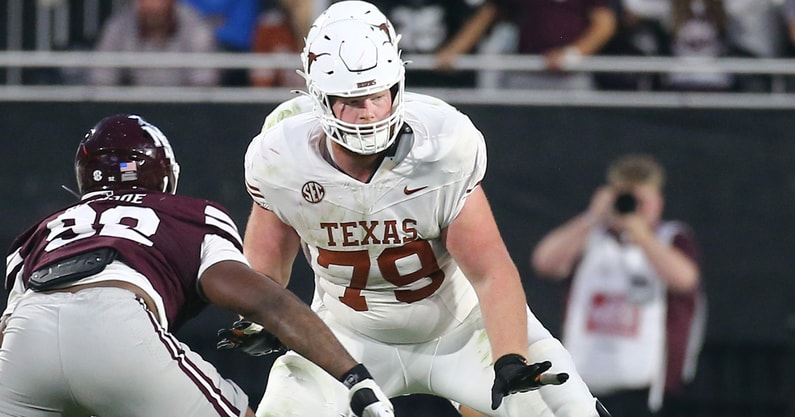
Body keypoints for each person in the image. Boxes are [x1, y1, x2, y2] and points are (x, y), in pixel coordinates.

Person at [226, 2, 609, 416]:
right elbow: (266, 271)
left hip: (463, 331)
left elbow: (490, 269)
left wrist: (510, 356)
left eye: (377, 95)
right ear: (320, 98)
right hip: (345, 338)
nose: (368, 112)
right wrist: (260, 316)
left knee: (571, 411)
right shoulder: (282, 157)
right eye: (351, 99)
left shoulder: (442, 145)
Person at [0, 114, 393, 417]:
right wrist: (353, 375)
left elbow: (9, 327)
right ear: (165, 174)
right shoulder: (187, 214)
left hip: (24, 345)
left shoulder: (42, 230)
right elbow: (266, 301)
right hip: (116, 325)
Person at [530, 154, 706, 417]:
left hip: (647, 391)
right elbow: (544, 262)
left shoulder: (670, 238)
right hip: (585, 384)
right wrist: (592, 217)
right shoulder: (591, 238)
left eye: (641, 200)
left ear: (658, 201)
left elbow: (685, 279)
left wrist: (640, 233)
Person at [435, 0, 617, 90]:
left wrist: (572, 54)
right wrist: (454, 51)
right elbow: (487, 14)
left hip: (571, 77)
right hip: (526, 72)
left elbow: (604, 24)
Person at [88, 0, 220, 86]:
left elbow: (203, 84)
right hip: (132, 111)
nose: (152, 6)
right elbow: (101, 80)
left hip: (186, 113)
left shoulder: (197, 29)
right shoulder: (118, 26)